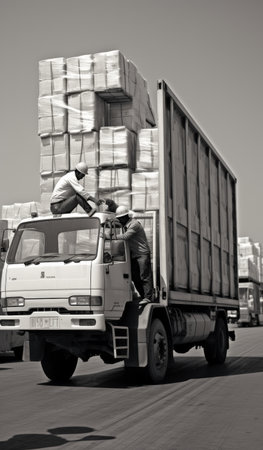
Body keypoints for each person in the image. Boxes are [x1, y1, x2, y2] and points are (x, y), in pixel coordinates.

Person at [114, 205, 154, 304]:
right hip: (134, 255)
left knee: (144, 276)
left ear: (125, 217)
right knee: (135, 277)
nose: (119, 221)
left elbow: (126, 236)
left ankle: (148, 297)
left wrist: (109, 236)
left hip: (142, 253)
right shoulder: (125, 225)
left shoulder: (134, 224)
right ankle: (143, 296)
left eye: (120, 218)